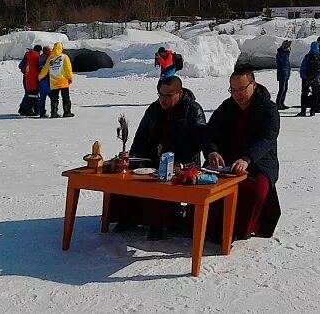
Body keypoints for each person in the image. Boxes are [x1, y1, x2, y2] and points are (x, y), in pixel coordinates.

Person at [110, 76, 207, 240]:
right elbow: (141, 137)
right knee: (126, 179)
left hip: (182, 163)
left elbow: (197, 141)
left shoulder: (192, 109)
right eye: (161, 94)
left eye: (168, 95)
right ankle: (127, 218)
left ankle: (159, 223)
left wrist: (179, 162)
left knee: (163, 185)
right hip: (152, 160)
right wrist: (133, 158)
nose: (164, 99)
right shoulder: (154, 109)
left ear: (179, 93)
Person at [205, 67, 281, 241]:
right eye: (233, 90)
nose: (237, 94)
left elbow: (268, 137)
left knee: (253, 190)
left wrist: (248, 158)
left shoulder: (267, 108)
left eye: (241, 89)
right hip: (226, 162)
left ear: (253, 85)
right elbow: (209, 132)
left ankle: (237, 231)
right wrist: (212, 151)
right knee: (206, 185)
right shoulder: (226, 107)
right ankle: (209, 227)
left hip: (258, 163)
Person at [38, 42, 74, 118]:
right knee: (66, 97)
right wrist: (70, 78)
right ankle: (67, 112)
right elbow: (68, 69)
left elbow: (45, 69)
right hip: (63, 81)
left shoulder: (50, 58)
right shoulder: (64, 57)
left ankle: (54, 113)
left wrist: (40, 77)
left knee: (54, 98)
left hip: (53, 81)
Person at [297, 42, 320, 117]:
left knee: (304, 94)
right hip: (316, 78)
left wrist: (304, 77)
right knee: (315, 94)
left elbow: (303, 67)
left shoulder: (307, 57)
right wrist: (319, 77)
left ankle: (303, 111)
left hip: (306, 78)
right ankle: (312, 111)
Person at [18, 45, 42, 116]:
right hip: (33, 78)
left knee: (28, 94)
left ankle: (22, 109)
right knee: (32, 95)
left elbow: (20, 66)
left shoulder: (27, 56)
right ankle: (29, 109)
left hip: (26, 77)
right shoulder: (36, 57)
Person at [275, 40, 291, 110]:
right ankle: (278, 103)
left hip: (286, 73)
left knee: (285, 89)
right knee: (282, 89)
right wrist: (285, 51)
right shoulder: (280, 53)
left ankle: (282, 102)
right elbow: (282, 61)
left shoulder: (286, 53)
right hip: (282, 73)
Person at [37, 46, 52, 118]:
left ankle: (42, 112)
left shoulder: (40, 57)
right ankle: (54, 111)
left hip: (41, 80)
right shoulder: (48, 57)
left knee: (42, 98)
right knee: (53, 97)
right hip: (47, 80)